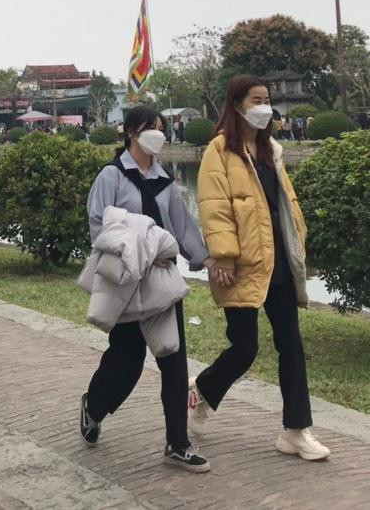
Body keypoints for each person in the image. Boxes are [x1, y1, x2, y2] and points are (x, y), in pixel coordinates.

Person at [189, 76, 329, 461]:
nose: (265, 106)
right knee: (244, 348)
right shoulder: (219, 151)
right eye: (257, 99)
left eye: (267, 99)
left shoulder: (272, 150)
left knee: (291, 345)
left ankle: (296, 431)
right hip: (243, 264)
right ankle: (202, 390)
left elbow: (286, 204)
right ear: (237, 104)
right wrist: (224, 255)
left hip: (278, 262)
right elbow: (214, 208)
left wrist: (299, 243)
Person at [81, 106, 214, 473]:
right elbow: (100, 226)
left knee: (174, 359)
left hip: (162, 282)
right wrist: (141, 250)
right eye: (151, 128)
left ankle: (177, 444)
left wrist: (204, 258)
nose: (159, 134)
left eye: (161, 128)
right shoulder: (111, 176)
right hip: (127, 281)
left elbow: (182, 226)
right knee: (126, 362)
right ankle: (94, 406)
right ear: (130, 132)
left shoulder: (164, 180)